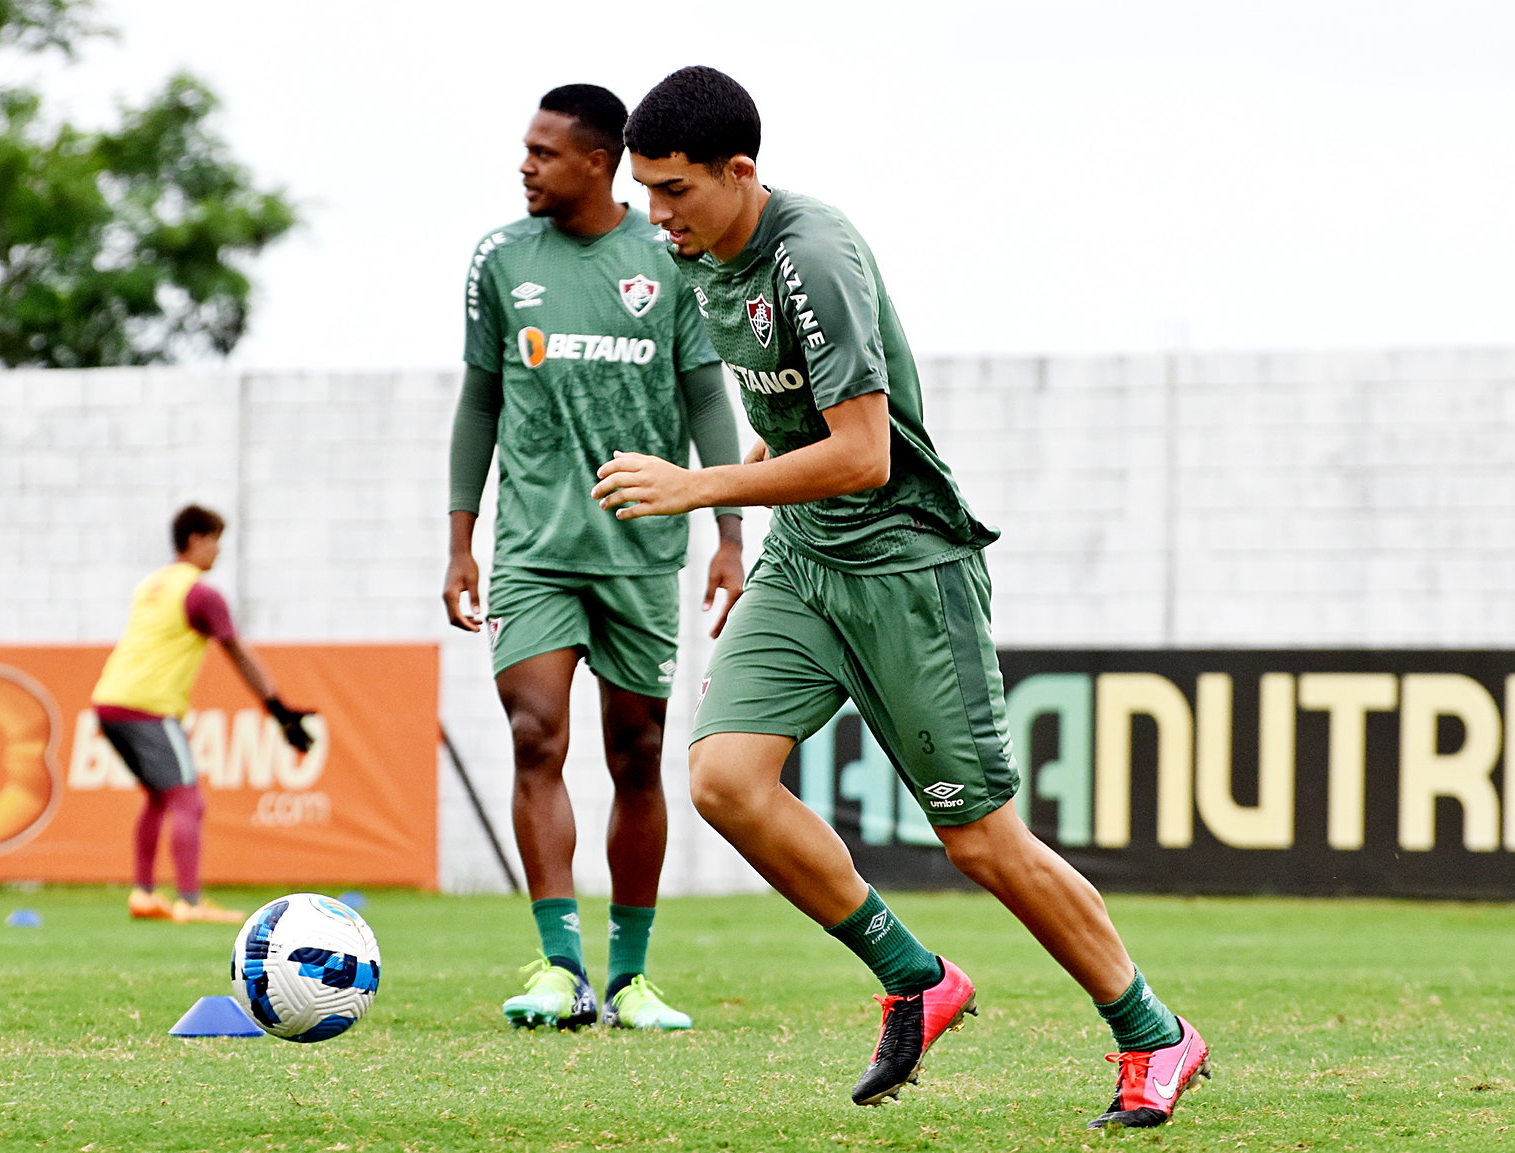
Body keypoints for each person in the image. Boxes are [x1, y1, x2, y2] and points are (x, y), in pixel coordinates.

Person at [601, 66, 1206, 1128]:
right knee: (725, 781)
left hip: (907, 568)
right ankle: (915, 977)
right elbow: (789, 420)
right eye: (642, 188)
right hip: (803, 560)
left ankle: (1154, 1032)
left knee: (979, 840)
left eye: (672, 189)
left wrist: (700, 489)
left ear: (739, 173)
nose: (655, 213)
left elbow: (863, 453)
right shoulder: (700, 256)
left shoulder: (813, 256)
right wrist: (742, 533)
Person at [445, 84, 744, 1032]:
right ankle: (557, 964)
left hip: (641, 553)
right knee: (537, 734)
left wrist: (730, 535)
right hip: (534, 546)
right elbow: (480, 401)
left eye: (543, 152)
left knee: (638, 753)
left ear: (597, 161)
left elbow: (705, 397)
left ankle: (631, 976)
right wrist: (460, 537)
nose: (525, 166)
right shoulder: (500, 259)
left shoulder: (666, 258)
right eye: (525, 150)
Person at [91, 504, 315, 925]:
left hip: (110, 699)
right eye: (215, 541)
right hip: (149, 706)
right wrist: (279, 709)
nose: (219, 552)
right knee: (188, 801)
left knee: (159, 797)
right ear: (195, 539)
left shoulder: (153, 584)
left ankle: (144, 894)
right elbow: (237, 653)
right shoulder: (201, 593)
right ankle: (190, 902)